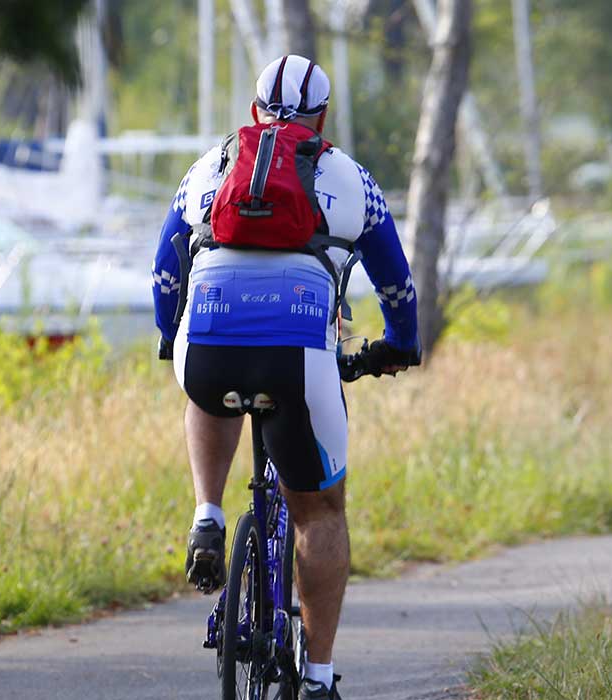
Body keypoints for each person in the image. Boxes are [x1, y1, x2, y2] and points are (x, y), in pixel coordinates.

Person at [150, 54, 421, 700]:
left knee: (207, 376)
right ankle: (322, 681)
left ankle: (208, 514)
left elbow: (165, 272)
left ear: (254, 113)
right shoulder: (354, 181)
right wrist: (399, 347)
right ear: (322, 119)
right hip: (300, 355)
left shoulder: (207, 168)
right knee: (321, 512)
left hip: (210, 346)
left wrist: (171, 337)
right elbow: (399, 288)